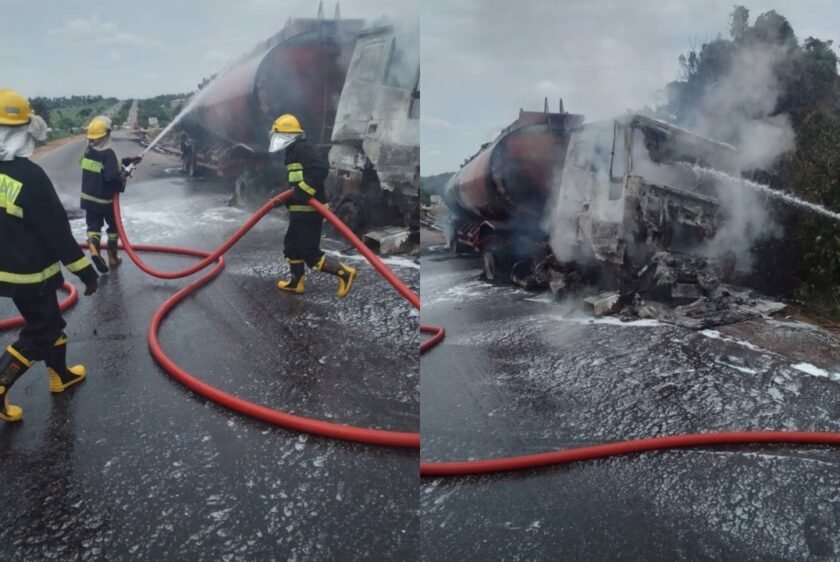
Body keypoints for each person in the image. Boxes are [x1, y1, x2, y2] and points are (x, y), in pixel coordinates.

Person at [0, 89, 99, 421]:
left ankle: (61, 376)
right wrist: (86, 271)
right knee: (41, 330)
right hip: (32, 274)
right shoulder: (30, 176)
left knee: (51, 322)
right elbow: (57, 233)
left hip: (8, 270)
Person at [268, 114, 357, 297]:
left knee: (309, 252)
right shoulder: (291, 152)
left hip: (310, 211)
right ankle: (296, 282)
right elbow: (295, 182)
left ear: (287, 135)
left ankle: (344, 273)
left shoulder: (303, 148)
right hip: (299, 211)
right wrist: (284, 197)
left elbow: (319, 170)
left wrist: (300, 193)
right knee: (291, 246)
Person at [80, 115, 141, 273]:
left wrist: (128, 161)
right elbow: (111, 177)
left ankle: (93, 248)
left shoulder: (88, 151)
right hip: (105, 201)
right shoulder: (108, 154)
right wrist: (124, 176)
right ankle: (113, 258)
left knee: (93, 227)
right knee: (114, 227)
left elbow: (104, 168)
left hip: (88, 199)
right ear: (106, 134)